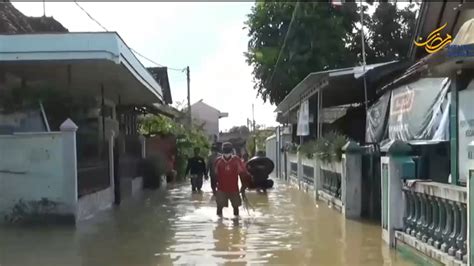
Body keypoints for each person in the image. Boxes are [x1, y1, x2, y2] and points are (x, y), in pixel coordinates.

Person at [214, 142, 248, 217]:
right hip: (221, 188)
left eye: (228, 149)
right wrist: (214, 189)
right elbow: (215, 176)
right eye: (225, 149)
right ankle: (219, 224)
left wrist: (243, 186)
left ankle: (236, 223)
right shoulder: (218, 161)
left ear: (231, 150)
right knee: (219, 207)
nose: (227, 151)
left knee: (235, 207)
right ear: (222, 150)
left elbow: (242, 174)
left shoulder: (236, 160)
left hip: (234, 189)